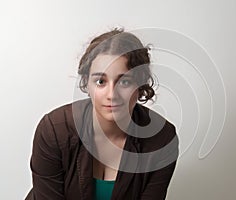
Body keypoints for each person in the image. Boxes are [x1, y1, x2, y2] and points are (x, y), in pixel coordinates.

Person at [25, 28, 179, 200]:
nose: (112, 94)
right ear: (87, 84)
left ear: (140, 85)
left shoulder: (162, 140)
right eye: (100, 81)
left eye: (125, 81)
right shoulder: (54, 130)